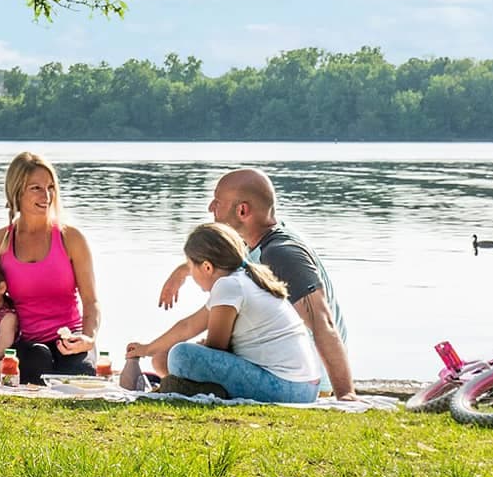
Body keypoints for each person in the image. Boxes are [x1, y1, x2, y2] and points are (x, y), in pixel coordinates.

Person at [156, 168, 355, 399]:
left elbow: (323, 322)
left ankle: (209, 391)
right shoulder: (258, 245)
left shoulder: (283, 254)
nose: (210, 207)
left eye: (217, 202)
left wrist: (345, 394)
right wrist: (184, 270)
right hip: (270, 363)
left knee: (177, 356)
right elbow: (229, 262)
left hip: (297, 379)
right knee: (163, 357)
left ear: (242, 210)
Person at [123, 223, 323, 403]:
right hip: (305, 387)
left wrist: (205, 346)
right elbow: (189, 325)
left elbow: (217, 347)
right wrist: (147, 349)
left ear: (207, 267)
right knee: (164, 355)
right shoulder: (243, 279)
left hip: (286, 389)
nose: (191, 275)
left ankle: (192, 389)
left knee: (179, 355)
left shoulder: (228, 285)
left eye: (191, 268)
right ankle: (191, 387)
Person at [0, 151, 100, 384]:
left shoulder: (71, 238)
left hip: (71, 342)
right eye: (36, 188)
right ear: (16, 191)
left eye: (51, 187)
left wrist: (88, 338)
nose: (47, 196)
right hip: (27, 344)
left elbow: (91, 301)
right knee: (37, 360)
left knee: (76, 376)